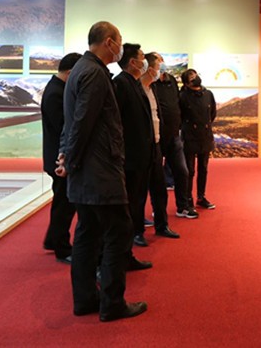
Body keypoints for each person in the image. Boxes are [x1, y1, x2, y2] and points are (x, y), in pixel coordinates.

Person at [57, 21, 146, 322]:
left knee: (87, 234)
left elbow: (71, 122)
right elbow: (82, 122)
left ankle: (85, 299)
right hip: (99, 171)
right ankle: (112, 303)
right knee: (119, 232)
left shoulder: (81, 70)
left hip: (87, 171)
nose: (120, 46)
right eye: (119, 40)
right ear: (109, 42)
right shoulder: (94, 73)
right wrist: (71, 160)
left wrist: (67, 156)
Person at [113, 45, 179, 248]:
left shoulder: (152, 88)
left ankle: (162, 225)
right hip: (135, 150)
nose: (160, 69)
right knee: (137, 193)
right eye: (143, 57)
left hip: (154, 146)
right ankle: (137, 231)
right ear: (135, 63)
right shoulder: (123, 84)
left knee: (159, 189)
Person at [41, 52, 81, 264]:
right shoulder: (56, 93)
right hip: (59, 159)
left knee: (62, 202)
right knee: (64, 205)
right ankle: (61, 247)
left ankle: (53, 240)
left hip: (57, 157)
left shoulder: (57, 89)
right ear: (71, 72)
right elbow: (62, 128)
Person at [148, 53, 194, 219]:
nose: (162, 64)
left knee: (182, 171)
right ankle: (159, 210)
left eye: (162, 61)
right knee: (157, 178)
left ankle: (183, 207)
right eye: (159, 62)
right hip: (157, 137)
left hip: (174, 136)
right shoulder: (149, 83)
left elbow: (176, 103)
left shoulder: (172, 81)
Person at [179, 68, 217, 211]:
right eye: (191, 78)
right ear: (186, 84)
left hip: (205, 135)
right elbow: (180, 116)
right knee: (189, 170)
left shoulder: (208, 94)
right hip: (189, 136)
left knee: (203, 168)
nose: (195, 79)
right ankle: (188, 200)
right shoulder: (183, 96)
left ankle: (201, 197)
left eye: (195, 76)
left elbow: (212, 113)